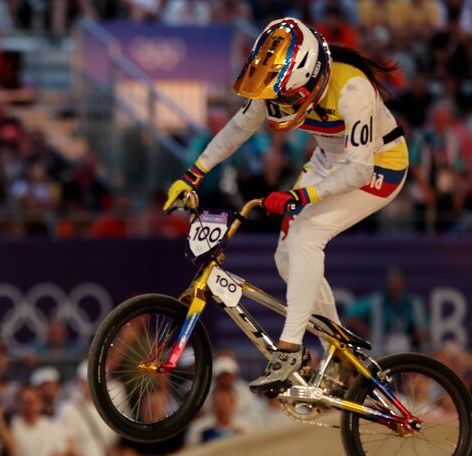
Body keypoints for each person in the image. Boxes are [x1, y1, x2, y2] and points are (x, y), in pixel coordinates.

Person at [164, 18, 409, 395]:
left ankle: (291, 348)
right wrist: (193, 173)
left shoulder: (353, 89)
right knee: (285, 257)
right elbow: (238, 127)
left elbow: (358, 171)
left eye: (284, 98)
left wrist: (302, 196)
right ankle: (338, 349)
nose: (276, 107)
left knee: (307, 237)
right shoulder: (282, 84)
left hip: (377, 167)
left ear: (310, 79)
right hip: (329, 160)